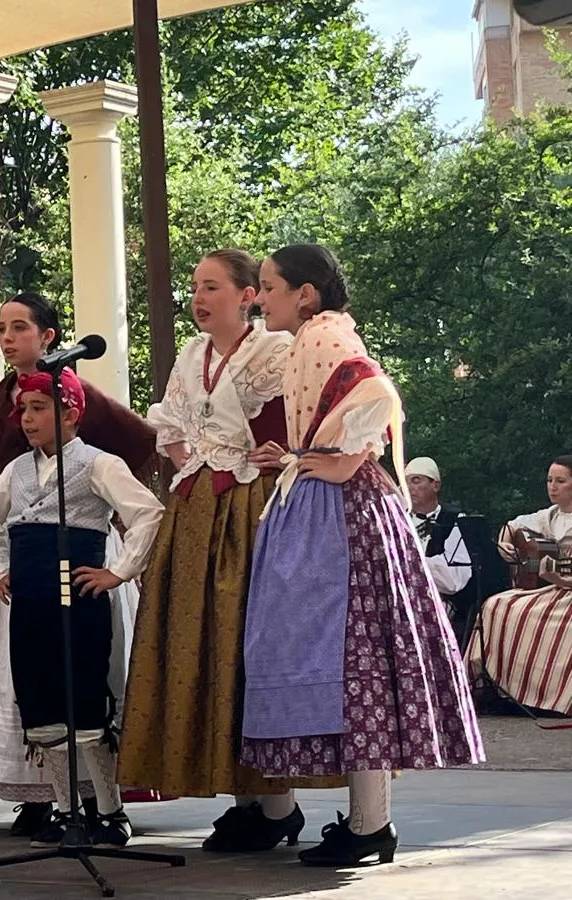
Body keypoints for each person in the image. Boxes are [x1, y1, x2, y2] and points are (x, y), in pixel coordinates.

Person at [240, 243, 484, 867]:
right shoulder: (318, 336)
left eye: (269, 286)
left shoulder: (322, 337)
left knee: (356, 659)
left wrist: (341, 456)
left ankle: (371, 825)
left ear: (307, 294)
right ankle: (369, 822)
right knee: (359, 662)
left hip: (340, 516)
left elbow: (372, 392)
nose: (260, 297)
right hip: (330, 504)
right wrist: (300, 457)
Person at [118, 249, 337, 850]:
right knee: (206, 645)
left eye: (211, 286)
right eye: (194, 286)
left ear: (247, 296)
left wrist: (271, 457)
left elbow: (311, 416)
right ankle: (248, 801)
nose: (199, 296)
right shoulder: (191, 356)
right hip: (198, 513)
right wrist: (193, 460)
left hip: (253, 509)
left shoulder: (277, 351)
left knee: (249, 645)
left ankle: (276, 802)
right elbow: (170, 428)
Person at [0, 292, 157, 837]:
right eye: (24, 410)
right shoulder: (17, 471)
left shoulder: (97, 463)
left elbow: (148, 513)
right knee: (42, 706)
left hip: (81, 597)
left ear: (70, 410)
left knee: (86, 701)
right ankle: (64, 810)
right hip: (33, 601)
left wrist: (120, 571)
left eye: (38, 408)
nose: (26, 419)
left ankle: (109, 810)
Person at [468, 455, 572, 716]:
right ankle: (494, 686)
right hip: (553, 588)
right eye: (550, 480)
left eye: (560, 481)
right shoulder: (550, 516)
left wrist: (558, 576)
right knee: (496, 605)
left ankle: (556, 696)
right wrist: (507, 545)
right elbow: (511, 525)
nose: (552, 486)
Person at [405, 457, 480, 641]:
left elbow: (454, 581)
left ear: (435, 485)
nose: (409, 487)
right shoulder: (398, 520)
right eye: (405, 482)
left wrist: (413, 563)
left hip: (440, 603)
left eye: (416, 480)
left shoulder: (455, 521)